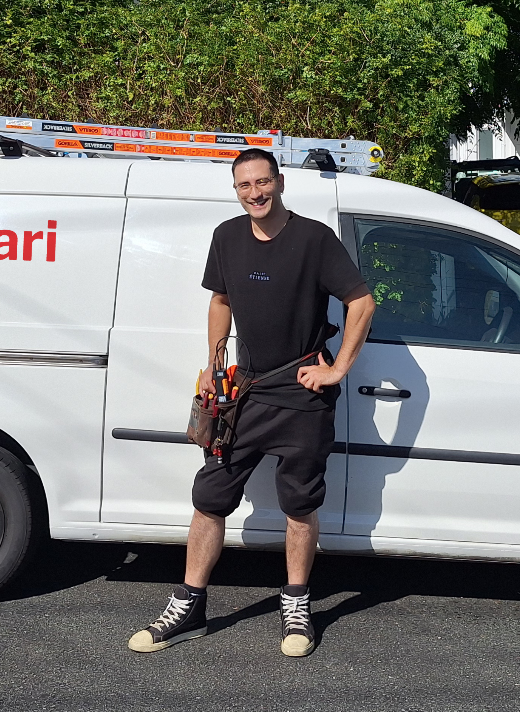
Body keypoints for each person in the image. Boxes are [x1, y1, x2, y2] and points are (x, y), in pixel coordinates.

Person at [128, 149, 376, 657]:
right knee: (210, 497)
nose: (255, 193)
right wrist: (214, 362)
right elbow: (220, 299)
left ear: (279, 183)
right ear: (236, 191)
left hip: (302, 394)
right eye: (244, 185)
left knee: (300, 504)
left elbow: (362, 302)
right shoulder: (227, 237)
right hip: (242, 392)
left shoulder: (313, 239)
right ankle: (190, 606)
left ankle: (297, 603)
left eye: (262, 182)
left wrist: (337, 370)